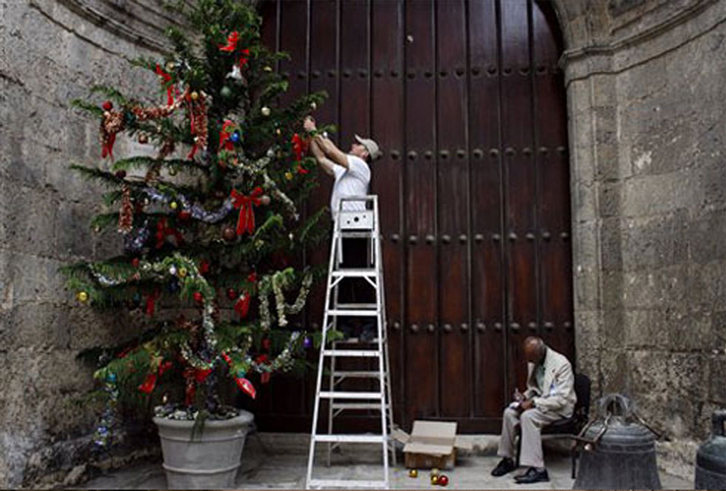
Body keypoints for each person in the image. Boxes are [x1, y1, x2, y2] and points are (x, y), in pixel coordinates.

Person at [491, 336, 577, 484]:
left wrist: (533, 403)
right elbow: (536, 388)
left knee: (528, 417)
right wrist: (524, 396)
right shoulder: (534, 361)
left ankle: (538, 470)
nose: (529, 361)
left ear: (540, 353)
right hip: (541, 403)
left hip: (558, 408)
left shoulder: (561, 364)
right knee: (509, 413)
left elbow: (562, 399)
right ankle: (507, 459)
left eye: (531, 358)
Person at [303, 116, 381, 220]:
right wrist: (311, 135)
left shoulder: (361, 165)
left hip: (353, 221)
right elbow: (321, 158)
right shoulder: (345, 170)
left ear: (365, 153)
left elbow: (330, 150)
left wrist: (313, 130)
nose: (353, 145)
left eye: (359, 144)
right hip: (341, 221)